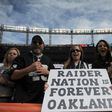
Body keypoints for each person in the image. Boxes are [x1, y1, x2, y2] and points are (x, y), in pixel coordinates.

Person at [10, 35, 54, 103]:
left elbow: (56, 76)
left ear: (43, 45)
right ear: (31, 44)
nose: (37, 44)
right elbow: (13, 76)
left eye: (40, 43)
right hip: (24, 100)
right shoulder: (21, 58)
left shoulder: (48, 60)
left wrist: (48, 72)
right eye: (34, 42)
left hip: (43, 101)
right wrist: (29, 69)